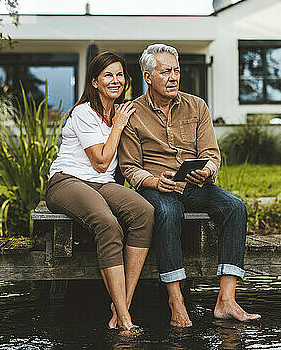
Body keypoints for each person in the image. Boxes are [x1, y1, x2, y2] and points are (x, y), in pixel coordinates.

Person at [118, 44, 261, 327]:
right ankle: (176, 301)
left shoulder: (197, 106)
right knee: (168, 213)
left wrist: (206, 171)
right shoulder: (132, 113)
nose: (173, 77)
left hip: (194, 184)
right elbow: (130, 168)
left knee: (235, 208)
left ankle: (226, 300)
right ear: (148, 76)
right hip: (156, 187)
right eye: (165, 71)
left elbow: (211, 153)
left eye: (176, 70)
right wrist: (154, 180)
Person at [46, 51, 154, 336]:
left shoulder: (119, 111)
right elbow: (101, 161)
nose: (115, 80)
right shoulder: (84, 113)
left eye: (120, 75)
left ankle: (122, 304)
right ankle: (124, 319)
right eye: (108, 75)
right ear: (94, 82)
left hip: (101, 184)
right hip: (67, 181)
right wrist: (118, 125)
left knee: (144, 212)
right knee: (108, 224)